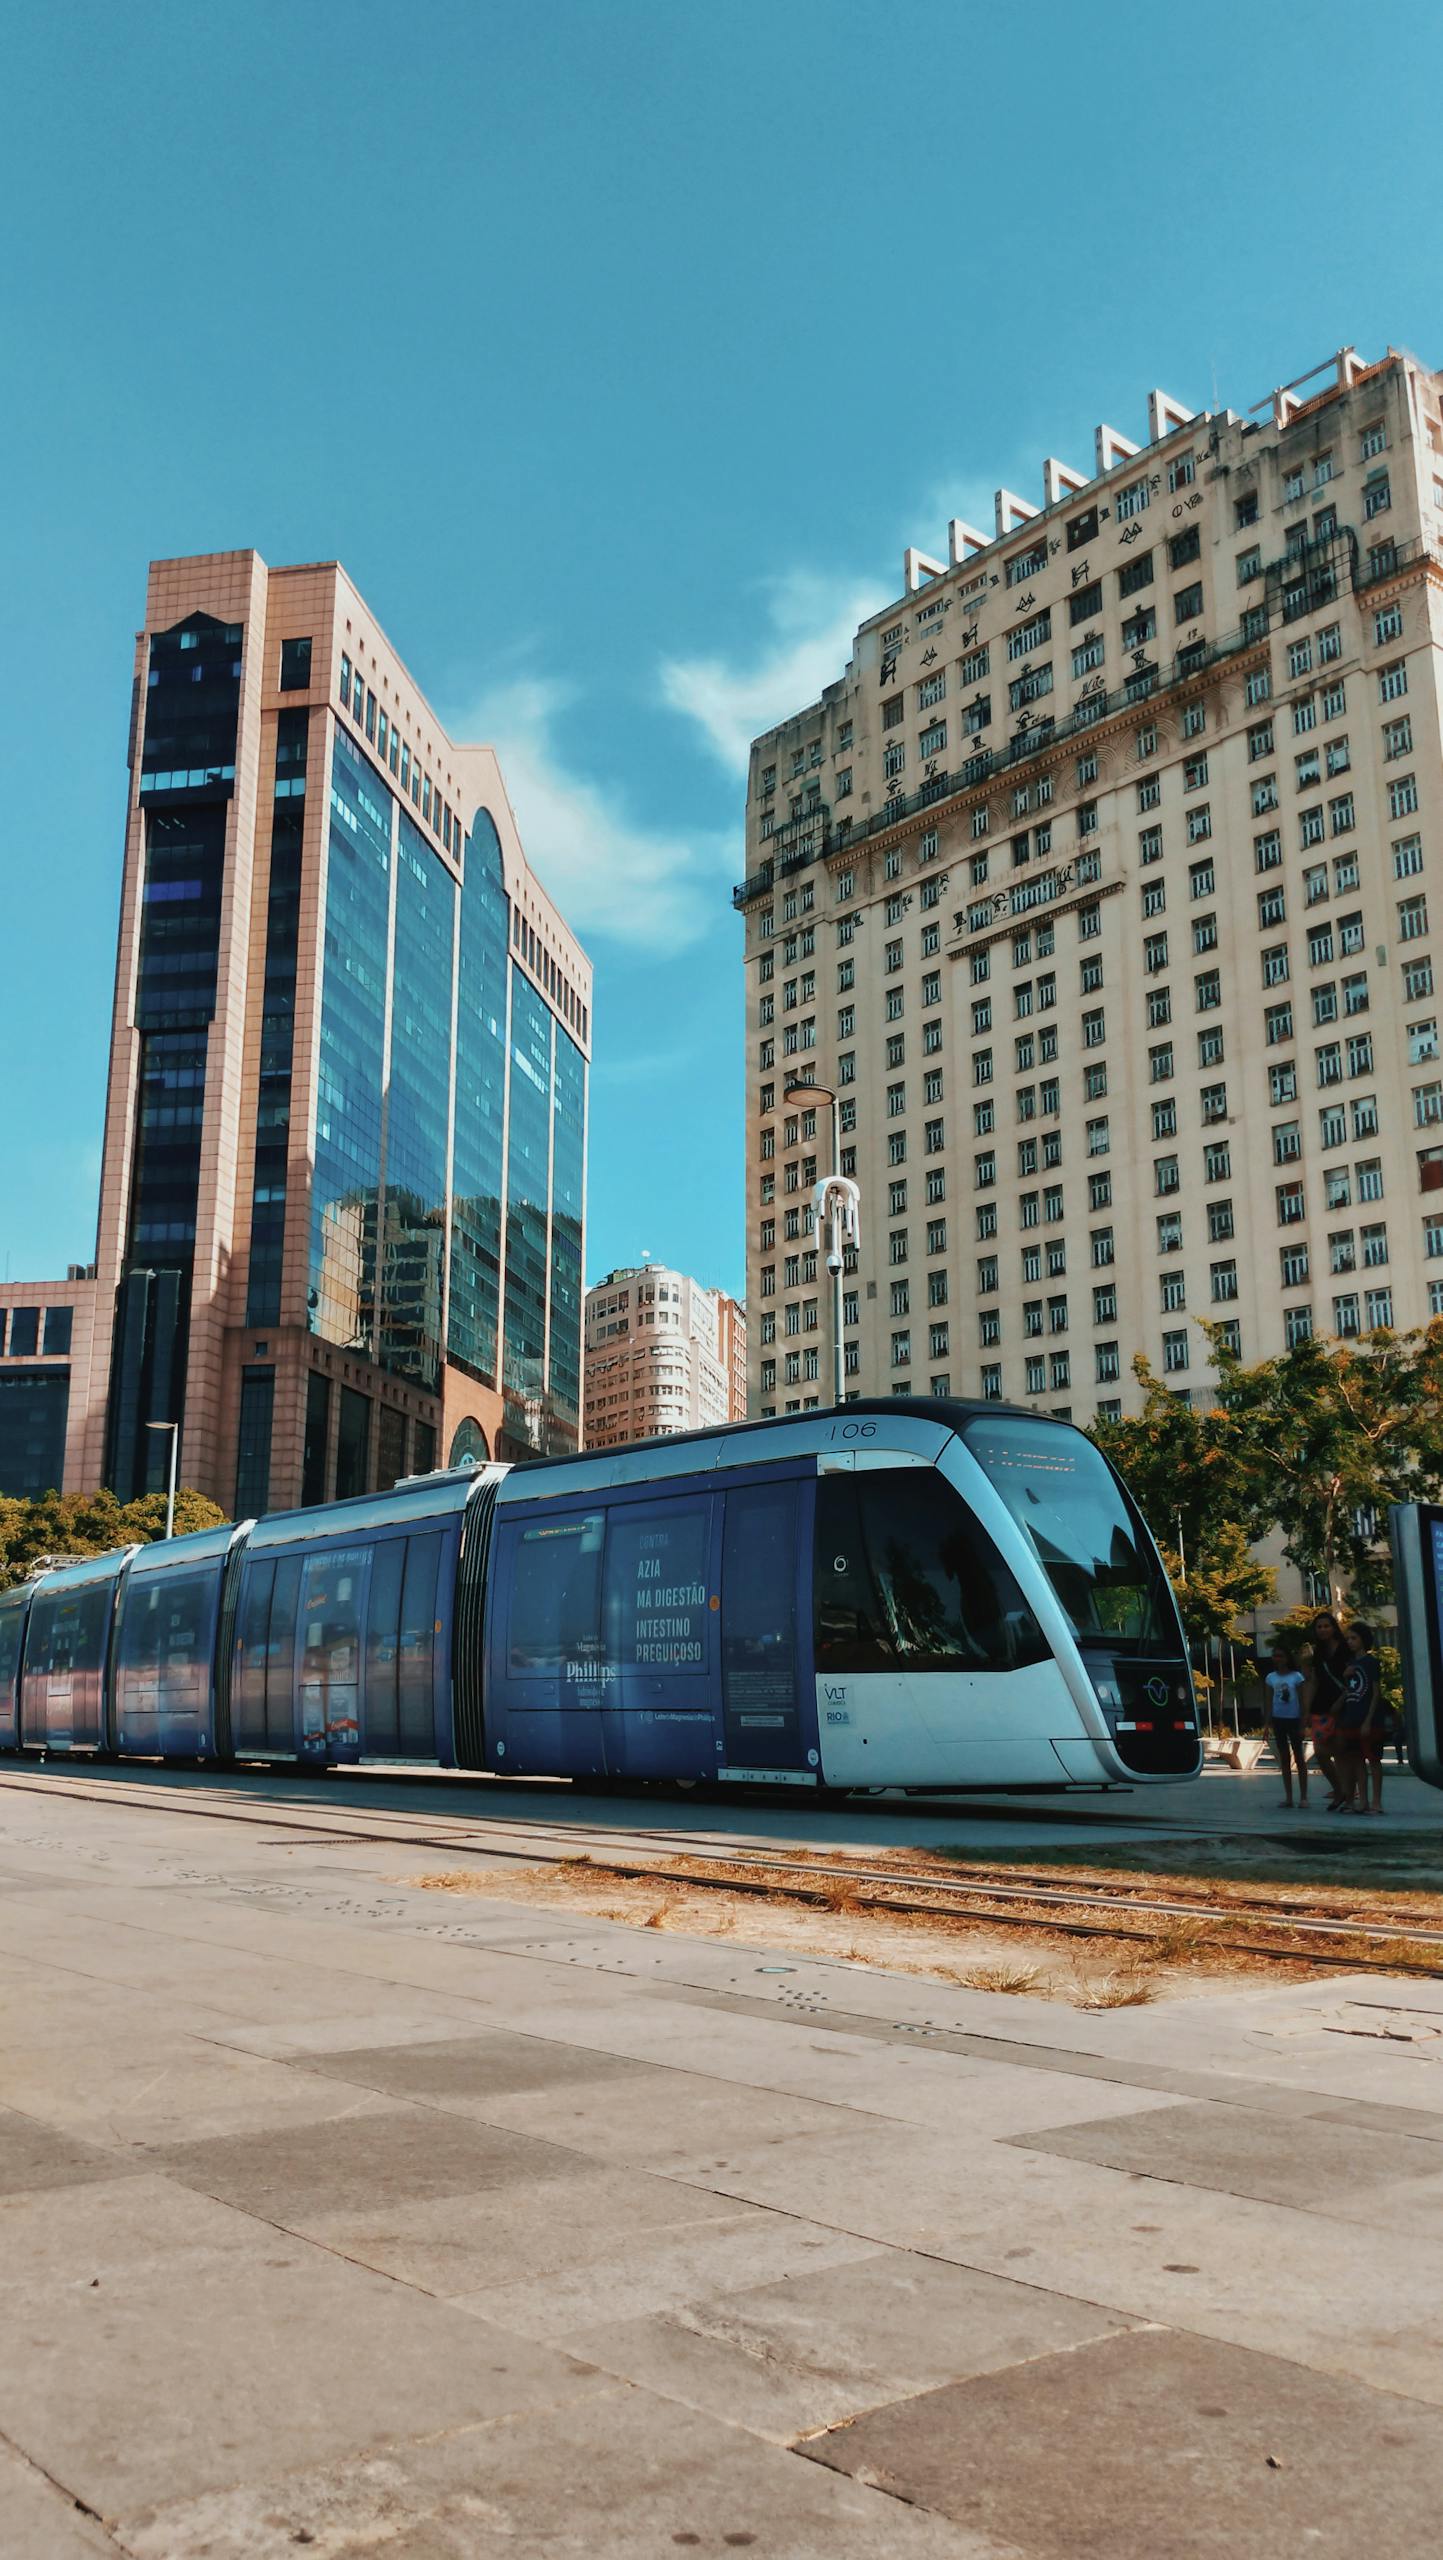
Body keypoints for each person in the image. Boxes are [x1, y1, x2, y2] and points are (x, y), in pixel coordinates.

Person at [1338, 1621, 1387, 1813]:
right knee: (1357, 1760)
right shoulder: (1350, 1665)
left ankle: (1376, 1801)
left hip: (1370, 1719)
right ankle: (1363, 1800)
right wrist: (1345, 1676)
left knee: (1374, 1760)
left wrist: (1368, 1719)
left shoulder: (1371, 1662)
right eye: (1348, 1639)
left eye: (1354, 1638)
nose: (1350, 1642)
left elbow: (1375, 1692)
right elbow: (1350, 1690)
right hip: (1352, 1717)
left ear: (1363, 1639)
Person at [1304, 1611, 1349, 1808]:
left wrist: (1342, 1699)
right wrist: (1306, 1709)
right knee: (1320, 1752)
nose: (1322, 1630)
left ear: (1334, 1627)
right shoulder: (1318, 1653)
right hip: (1321, 1706)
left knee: (1342, 1751)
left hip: (1344, 1705)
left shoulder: (1345, 1649)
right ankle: (1339, 1789)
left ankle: (1348, 1792)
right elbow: (1314, 1680)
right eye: (1319, 1627)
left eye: (1326, 1626)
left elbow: (1353, 1679)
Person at [1264, 1645, 1308, 1807]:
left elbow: (1303, 1700)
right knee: (1284, 1759)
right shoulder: (1271, 1678)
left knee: (1299, 1758)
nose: (1278, 1659)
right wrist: (1267, 1724)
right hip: (1278, 1720)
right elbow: (1268, 1701)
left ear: (1287, 1658)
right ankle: (1289, 1797)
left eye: (1281, 1656)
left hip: (1294, 1719)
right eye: (1275, 1656)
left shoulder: (1296, 1677)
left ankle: (1303, 1797)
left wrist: (1304, 1722)